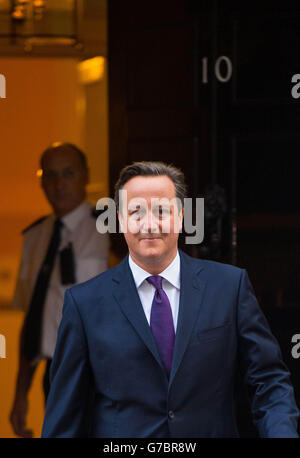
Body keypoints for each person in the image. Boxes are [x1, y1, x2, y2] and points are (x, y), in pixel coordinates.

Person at [42, 161, 299, 438]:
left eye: (161, 211)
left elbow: (269, 381)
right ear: (119, 220)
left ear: (181, 217)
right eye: (136, 212)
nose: (149, 224)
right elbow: (65, 417)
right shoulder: (84, 304)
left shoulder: (229, 288)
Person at [10, 142, 109, 438]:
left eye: (68, 173)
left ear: (85, 176)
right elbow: (33, 320)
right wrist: (20, 394)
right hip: (55, 372)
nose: (59, 183)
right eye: (50, 175)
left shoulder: (109, 230)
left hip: (102, 370)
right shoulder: (35, 236)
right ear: (41, 181)